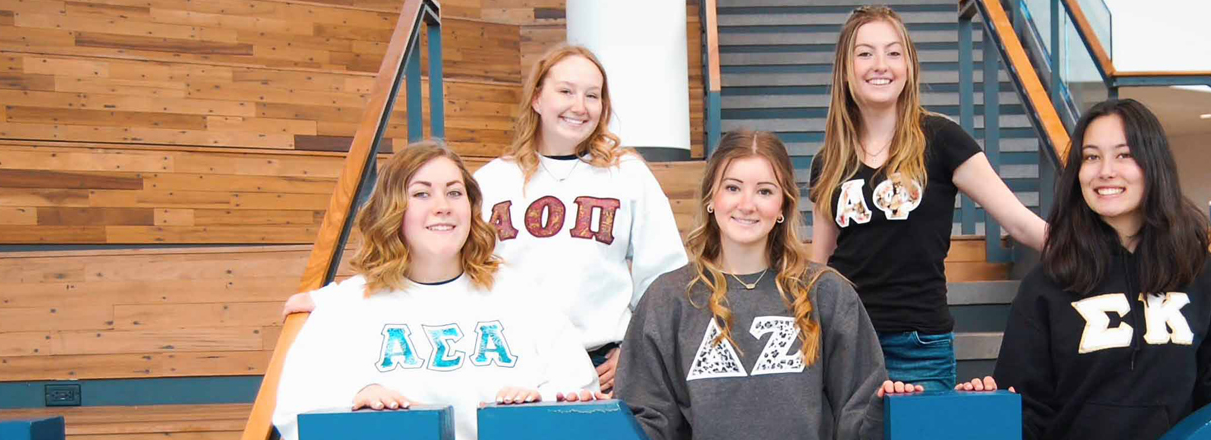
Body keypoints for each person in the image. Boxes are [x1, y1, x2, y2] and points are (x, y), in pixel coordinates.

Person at [285, 45, 688, 394]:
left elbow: (663, 276)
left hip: (605, 366)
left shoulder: (628, 175)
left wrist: (636, 350)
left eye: (592, 95)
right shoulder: (493, 180)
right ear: (537, 98)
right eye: (565, 91)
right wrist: (334, 298)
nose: (579, 106)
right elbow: (429, 259)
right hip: (514, 362)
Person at [959, 99, 1211, 440]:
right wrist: (982, 409)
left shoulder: (1198, 270)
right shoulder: (1047, 282)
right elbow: (1026, 410)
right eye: (1091, 157)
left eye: (1123, 155)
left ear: (1152, 165)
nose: (1105, 171)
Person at [271, 140, 602, 440]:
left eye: (454, 193)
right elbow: (294, 415)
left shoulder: (519, 295)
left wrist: (540, 401)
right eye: (422, 194)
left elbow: (579, 388)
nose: (443, 206)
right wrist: (357, 400)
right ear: (392, 208)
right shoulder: (347, 306)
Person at [616, 130, 919, 440]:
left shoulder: (827, 293)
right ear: (711, 198)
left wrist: (886, 409)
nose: (747, 204)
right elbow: (646, 421)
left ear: (783, 206)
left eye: (764, 191)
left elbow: (858, 414)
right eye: (732, 187)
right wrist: (595, 417)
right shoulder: (668, 299)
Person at [808, 5, 1051, 391]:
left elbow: (1021, 223)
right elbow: (820, 265)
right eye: (865, 53)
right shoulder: (829, 160)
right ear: (846, 68)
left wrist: (1100, 252)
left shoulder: (941, 139)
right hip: (846, 341)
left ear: (908, 65)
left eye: (893, 52)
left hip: (919, 347)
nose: (880, 64)